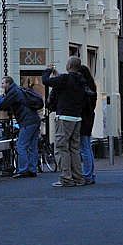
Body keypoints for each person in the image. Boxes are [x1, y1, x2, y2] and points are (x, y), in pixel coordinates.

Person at [42, 57, 96, 187]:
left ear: (69, 65)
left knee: (61, 148)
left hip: (64, 117)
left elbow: (46, 81)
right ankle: (78, 177)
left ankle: (66, 177)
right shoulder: (82, 81)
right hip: (77, 118)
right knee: (74, 149)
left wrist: (48, 70)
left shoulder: (65, 79)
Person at [0, 75, 40, 177]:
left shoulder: (13, 92)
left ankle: (23, 170)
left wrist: (2, 96)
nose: (2, 85)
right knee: (32, 146)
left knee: (21, 145)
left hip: (26, 121)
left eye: (3, 83)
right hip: (34, 119)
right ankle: (32, 169)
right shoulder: (19, 89)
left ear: (8, 84)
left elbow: (1, 105)